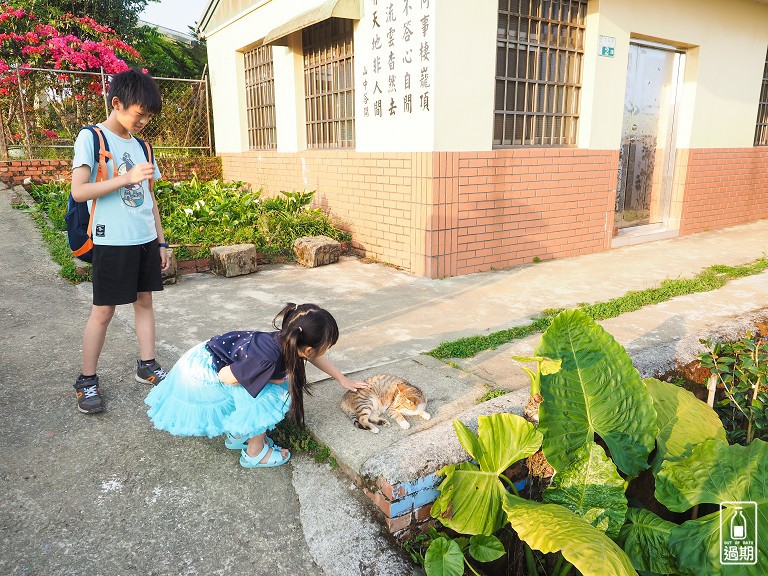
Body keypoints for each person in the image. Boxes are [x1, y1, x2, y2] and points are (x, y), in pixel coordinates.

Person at [145, 303, 368, 468]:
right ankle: (255, 453)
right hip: (200, 376)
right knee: (270, 396)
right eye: (326, 346)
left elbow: (312, 357)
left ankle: (238, 436)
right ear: (308, 348)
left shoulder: (288, 340)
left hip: (213, 358)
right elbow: (225, 377)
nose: (325, 351)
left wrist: (342, 379)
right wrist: (267, 377)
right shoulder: (268, 360)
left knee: (272, 384)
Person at [71, 68, 169, 415]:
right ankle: (86, 380)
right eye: (139, 114)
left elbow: (149, 198)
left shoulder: (143, 145)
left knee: (144, 303)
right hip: (111, 241)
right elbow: (79, 191)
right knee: (103, 311)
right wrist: (124, 177)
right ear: (116, 103)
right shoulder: (92, 138)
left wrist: (161, 242)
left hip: (143, 239)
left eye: (147, 116)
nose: (143, 122)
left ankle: (147, 364)